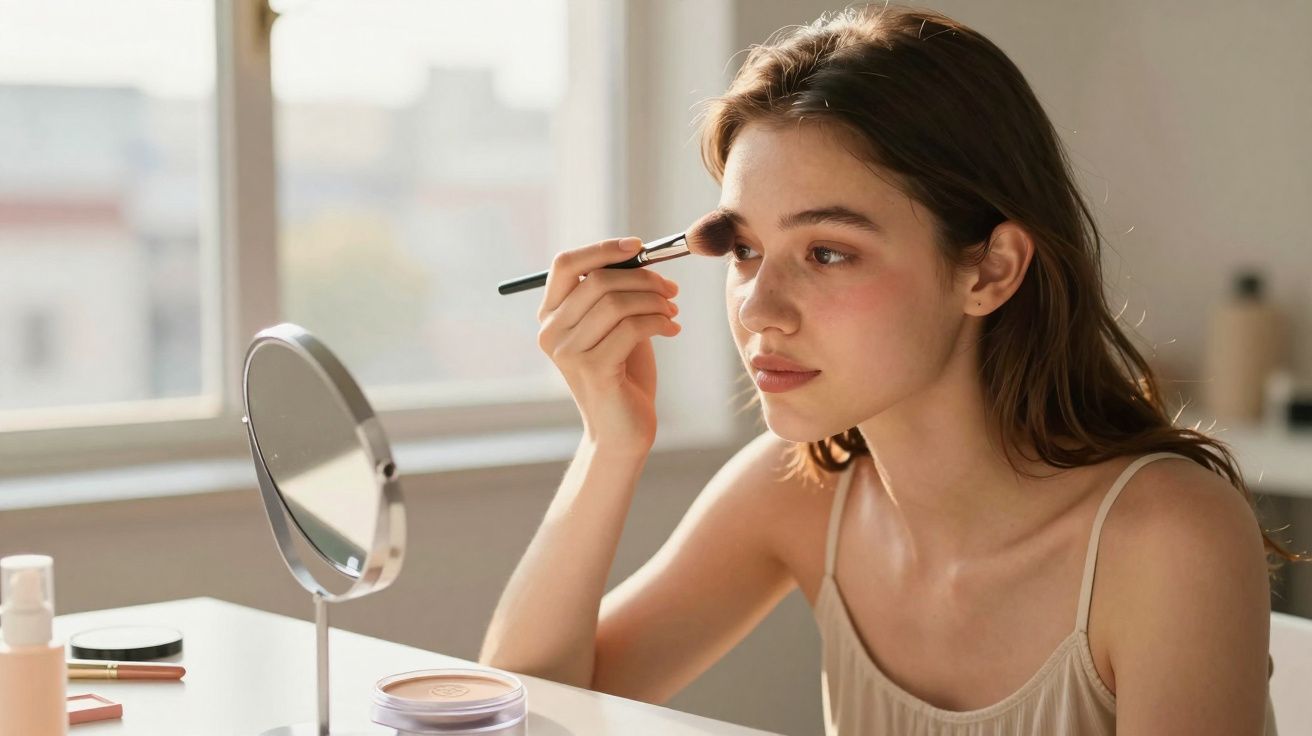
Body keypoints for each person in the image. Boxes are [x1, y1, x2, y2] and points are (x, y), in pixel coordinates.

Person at [480, 4, 1303, 734]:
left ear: (989, 270)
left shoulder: (1165, 539)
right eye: (746, 251)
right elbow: (520, 713)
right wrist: (608, 445)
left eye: (828, 252)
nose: (760, 309)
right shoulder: (798, 496)